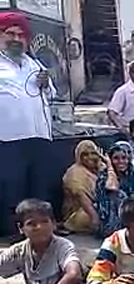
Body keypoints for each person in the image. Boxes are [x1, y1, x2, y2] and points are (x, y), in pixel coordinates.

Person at [0, 13, 56, 237]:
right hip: (8, 139)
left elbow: (51, 94)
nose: (16, 39)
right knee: (12, 187)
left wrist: (46, 84)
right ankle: (13, 233)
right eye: (10, 34)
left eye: (21, 35)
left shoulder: (33, 63)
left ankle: (41, 231)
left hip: (39, 137)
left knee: (39, 187)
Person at [0, 200, 88, 284]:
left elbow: (73, 275)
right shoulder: (19, 250)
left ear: (53, 224)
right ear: (21, 228)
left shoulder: (63, 246)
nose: (39, 227)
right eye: (31, 224)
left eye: (45, 222)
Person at [63, 140, 103, 234]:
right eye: (85, 154)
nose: (90, 157)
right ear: (79, 156)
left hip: (99, 207)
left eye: (93, 153)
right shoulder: (74, 172)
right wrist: (94, 217)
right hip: (80, 212)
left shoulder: (100, 168)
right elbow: (80, 195)